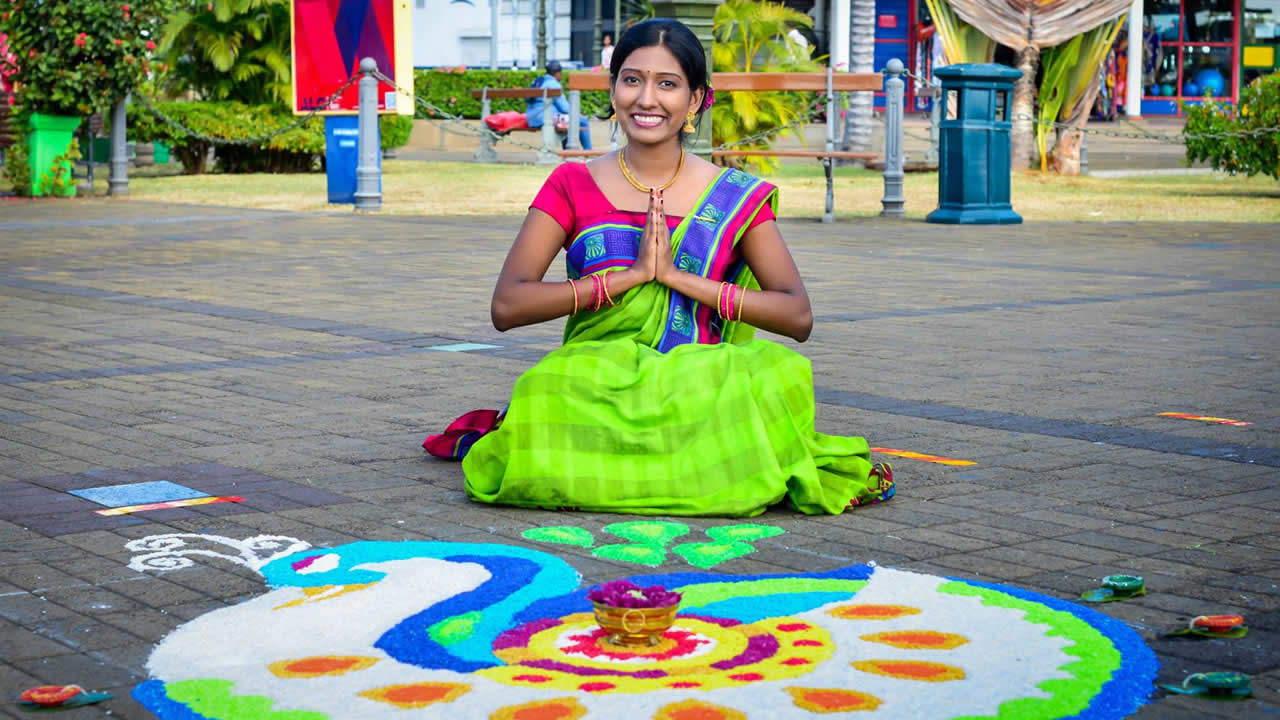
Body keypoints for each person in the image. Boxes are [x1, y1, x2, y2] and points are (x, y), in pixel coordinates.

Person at [425, 18, 893, 517]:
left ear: (694, 100)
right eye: (632, 79)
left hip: (702, 377)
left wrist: (676, 278)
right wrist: (626, 278)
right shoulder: (571, 185)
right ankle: (689, 466)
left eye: (667, 84)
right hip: (597, 376)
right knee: (546, 388)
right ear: (613, 88)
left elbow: (796, 317)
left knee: (773, 377)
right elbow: (508, 305)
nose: (646, 99)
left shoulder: (734, 195)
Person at [525, 60, 593, 151]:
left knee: (566, 119)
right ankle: (588, 151)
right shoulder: (553, 84)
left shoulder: (539, 81)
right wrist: (577, 113)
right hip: (546, 119)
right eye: (561, 73)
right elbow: (565, 108)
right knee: (581, 120)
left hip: (532, 119)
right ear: (557, 73)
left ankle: (568, 150)